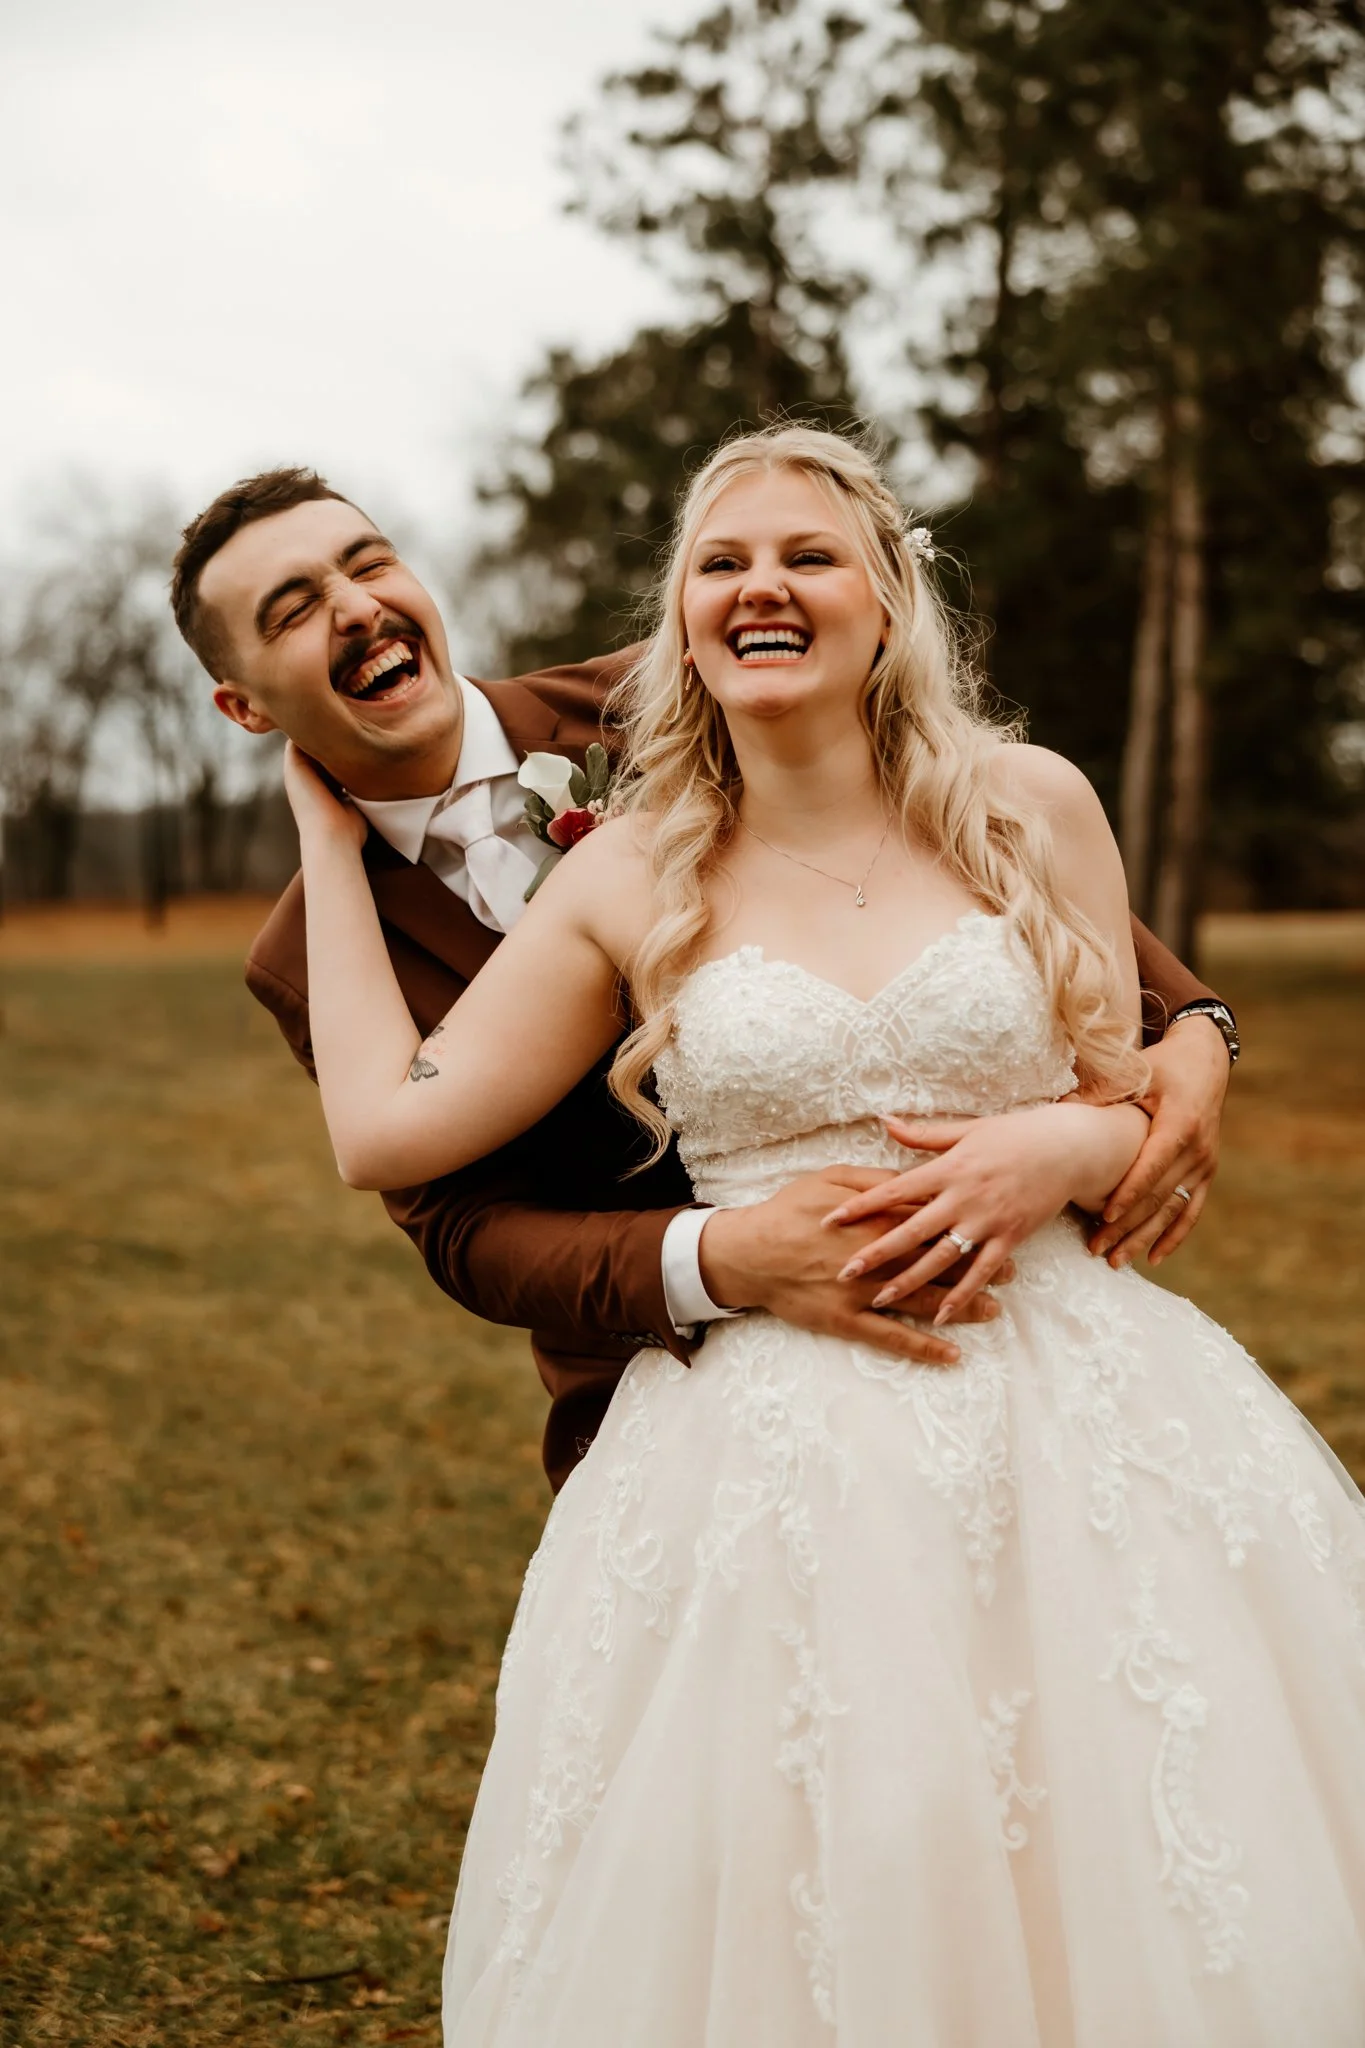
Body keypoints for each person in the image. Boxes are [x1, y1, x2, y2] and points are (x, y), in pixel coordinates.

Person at [282, 424, 1365, 2045]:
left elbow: (1141, 1067)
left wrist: (1070, 1138)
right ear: (681, 621)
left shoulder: (1031, 802)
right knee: (863, 1831)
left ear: (888, 595)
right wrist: (319, 833)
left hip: (1082, 1406)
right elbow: (386, 1135)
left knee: (1156, 1814)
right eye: (720, 562)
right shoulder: (626, 874)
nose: (759, 585)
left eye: (806, 554)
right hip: (776, 1441)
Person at [170, 467, 1234, 1494]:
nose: (355, 608)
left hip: (1022, 1324)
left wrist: (1188, 1027)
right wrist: (725, 1255)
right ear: (245, 706)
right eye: (294, 609)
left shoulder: (706, 671)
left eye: (368, 563)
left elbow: (974, 862)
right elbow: (461, 1224)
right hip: (687, 1384)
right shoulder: (313, 955)